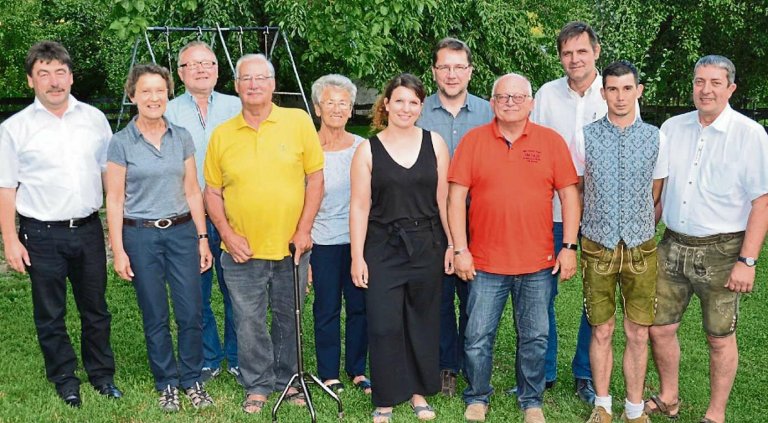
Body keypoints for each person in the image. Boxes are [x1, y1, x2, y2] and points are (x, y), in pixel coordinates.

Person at [450, 73, 581, 423]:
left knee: (535, 337)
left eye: (518, 97)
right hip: (484, 262)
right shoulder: (473, 141)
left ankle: (531, 400)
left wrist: (568, 246)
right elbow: (456, 196)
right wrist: (460, 249)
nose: (510, 102)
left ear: (531, 103)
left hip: (537, 262)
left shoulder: (551, 142)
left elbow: (569, 195)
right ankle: (477, 396)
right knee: (477, 336)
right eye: (502, 97)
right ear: (492, 103)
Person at [0, 41, 122, 408]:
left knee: (95, 308)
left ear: (70, 76)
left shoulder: (95, 119)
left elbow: (110, 177)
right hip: (40, 234)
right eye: (44, 74)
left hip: (87, 230)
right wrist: (10, 239)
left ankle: (102, 376)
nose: (54, 81)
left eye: (60, 72)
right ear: (30, 80)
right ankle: (65, 379)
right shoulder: (14, 129)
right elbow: (6, 187)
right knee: (51, 313)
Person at [647, 55, 768, 423]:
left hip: (723, 250)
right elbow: (659, 188)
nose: (706, 89)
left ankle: (715, 415)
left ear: (730, 88)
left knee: (719, 337)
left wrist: (747, 262)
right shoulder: (672, 127)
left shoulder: (750, 135)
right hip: (671, 244)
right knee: (659, 328)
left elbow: (762, 201)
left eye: (716, 82)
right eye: (700, 81)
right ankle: (669, 397)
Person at [203, 53, 324, 415]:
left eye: (261, 78)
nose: (254, 85)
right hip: (242, 250)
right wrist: (226, 232)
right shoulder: (222, 134)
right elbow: (212, 192)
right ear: (237, 86)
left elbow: (315, 178)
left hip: (291, 248)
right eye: (246, 79)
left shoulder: (298, 122)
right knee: (249, 320)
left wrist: (304, 230)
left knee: (289, 316)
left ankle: (289, 380)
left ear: (273, 84)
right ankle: (258, 384)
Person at [106, 64, 214, 412]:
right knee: (154, 313)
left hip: (182, 233)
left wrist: (202, 237)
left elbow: (193, 190)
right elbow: (115, 199)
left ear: (168, 94)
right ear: (133, 96)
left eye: (159, 90)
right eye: (145, 91)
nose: (154, 97)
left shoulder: (180, 136)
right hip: (141, 237)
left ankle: (192, 379)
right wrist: (118, 250)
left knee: (190, 311)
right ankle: (166, 382)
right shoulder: (121, 142)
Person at [350, 73, 453, 422]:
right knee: (383, 322)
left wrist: (453, 244)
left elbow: (443, 200)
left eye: (413, 102)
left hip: (428, 243)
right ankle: (385, 396)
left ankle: (418, 391)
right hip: (383, 246)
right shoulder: (368, 149)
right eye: (399, 101)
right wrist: (357, 256)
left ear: (420, 107)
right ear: (386, 104)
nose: (406, 108)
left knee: (422, 320)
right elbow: (360, 207)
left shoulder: (435, 143)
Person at [572, 61, 668, 423]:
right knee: (602, 328)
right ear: (603, 92)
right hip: (598, 245)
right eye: (613, 89)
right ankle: (603, 405)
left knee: (638, 330)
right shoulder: (585, 135)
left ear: (638, 91)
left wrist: (638, 226)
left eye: (627, 88)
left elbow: (656, 194)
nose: (620, 96)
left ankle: (634, 408)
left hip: (641, 246)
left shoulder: (656, 137)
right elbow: (578, 188)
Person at [528, 21, 605, 403]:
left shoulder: (615, 92)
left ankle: (586, 373)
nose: (574, 59)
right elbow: (533, 151)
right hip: (550, 212)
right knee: (542, 294)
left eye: (581, 51)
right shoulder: (545, 95)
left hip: (601, 215)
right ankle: (544, 372)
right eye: (567, 53)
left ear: (596, 52)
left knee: (596, 296)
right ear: (560, 57)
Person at [415, 37, 493, 397]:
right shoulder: (418, 110)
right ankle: (446, 365)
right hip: (430, 219)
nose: (451, 74)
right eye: (444, 66)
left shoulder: (489, 111)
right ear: (433, 72)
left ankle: (473, 361)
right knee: (440, 296)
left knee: (476, 296)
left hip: (481, 218)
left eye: (459, 66)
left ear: (470, 71)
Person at [165, 40, 242, 383]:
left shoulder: (238, 105)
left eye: (207, 63)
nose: (201, 69)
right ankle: (209, 357)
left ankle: (239, 356)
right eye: (192, 64)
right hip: (188, 215)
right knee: (195, 291)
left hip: (234, 214)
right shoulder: (165, 110)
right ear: (180, 73)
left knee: (238, 290)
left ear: (217, 69)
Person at [309, 74, 371, 395]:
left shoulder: (363, 147)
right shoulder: (306, 148)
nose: (336, 108)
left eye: (343, 103)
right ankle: (328, 372)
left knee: (360, 306)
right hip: (321, 242)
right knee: (327, 307)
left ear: (350, 110)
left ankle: (358, 370)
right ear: (317, 108)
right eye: (329, 102)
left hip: (358, 242)